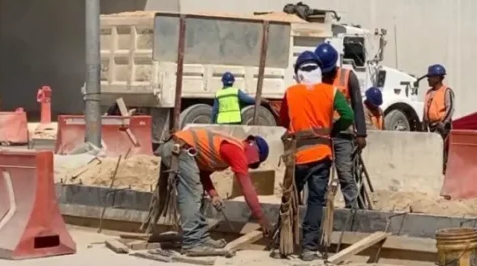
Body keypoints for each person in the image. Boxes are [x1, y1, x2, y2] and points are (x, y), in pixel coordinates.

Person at [277, 49, 355, 261]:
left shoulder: (291, 92)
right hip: (322, 155)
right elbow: (349, 115)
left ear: (298, 72)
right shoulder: (331, 92)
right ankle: (309, 248)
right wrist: (333, 129)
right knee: (315, 201)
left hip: (297, 156)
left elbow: (283, 120)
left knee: (290, 197)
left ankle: (283, 242)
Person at [157, 128, 271, 256]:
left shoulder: (231, 147)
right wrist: (261, 217)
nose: (249, 165)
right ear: (255, 153)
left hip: (181, 148)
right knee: (193, 193)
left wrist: (214, 195)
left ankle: (201, 238)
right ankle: (192, 243)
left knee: (197, 192)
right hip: (179, 149)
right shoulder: (237, 150)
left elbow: (202, 174)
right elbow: (247, 188)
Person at [315, 42, 367, 210]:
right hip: (322, 134)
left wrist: (361, 134)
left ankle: (353, 210)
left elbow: (358, 105)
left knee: (345, 174)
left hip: (343, 134)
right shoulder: (315, 77)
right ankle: (319, 209)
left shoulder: (347, 76)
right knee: (319, 174)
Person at [422, 64, 455, 174]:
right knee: (432, 151)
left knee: (441, 151)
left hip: (442, 126)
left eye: (430, 77)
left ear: (437, 77)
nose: (428, 79)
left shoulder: (447, 91)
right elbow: (426, 108)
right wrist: (424, 122)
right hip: (430, 126)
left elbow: (450, 108)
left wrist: (443, 123)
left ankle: (443, 172)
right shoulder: (429, 92)